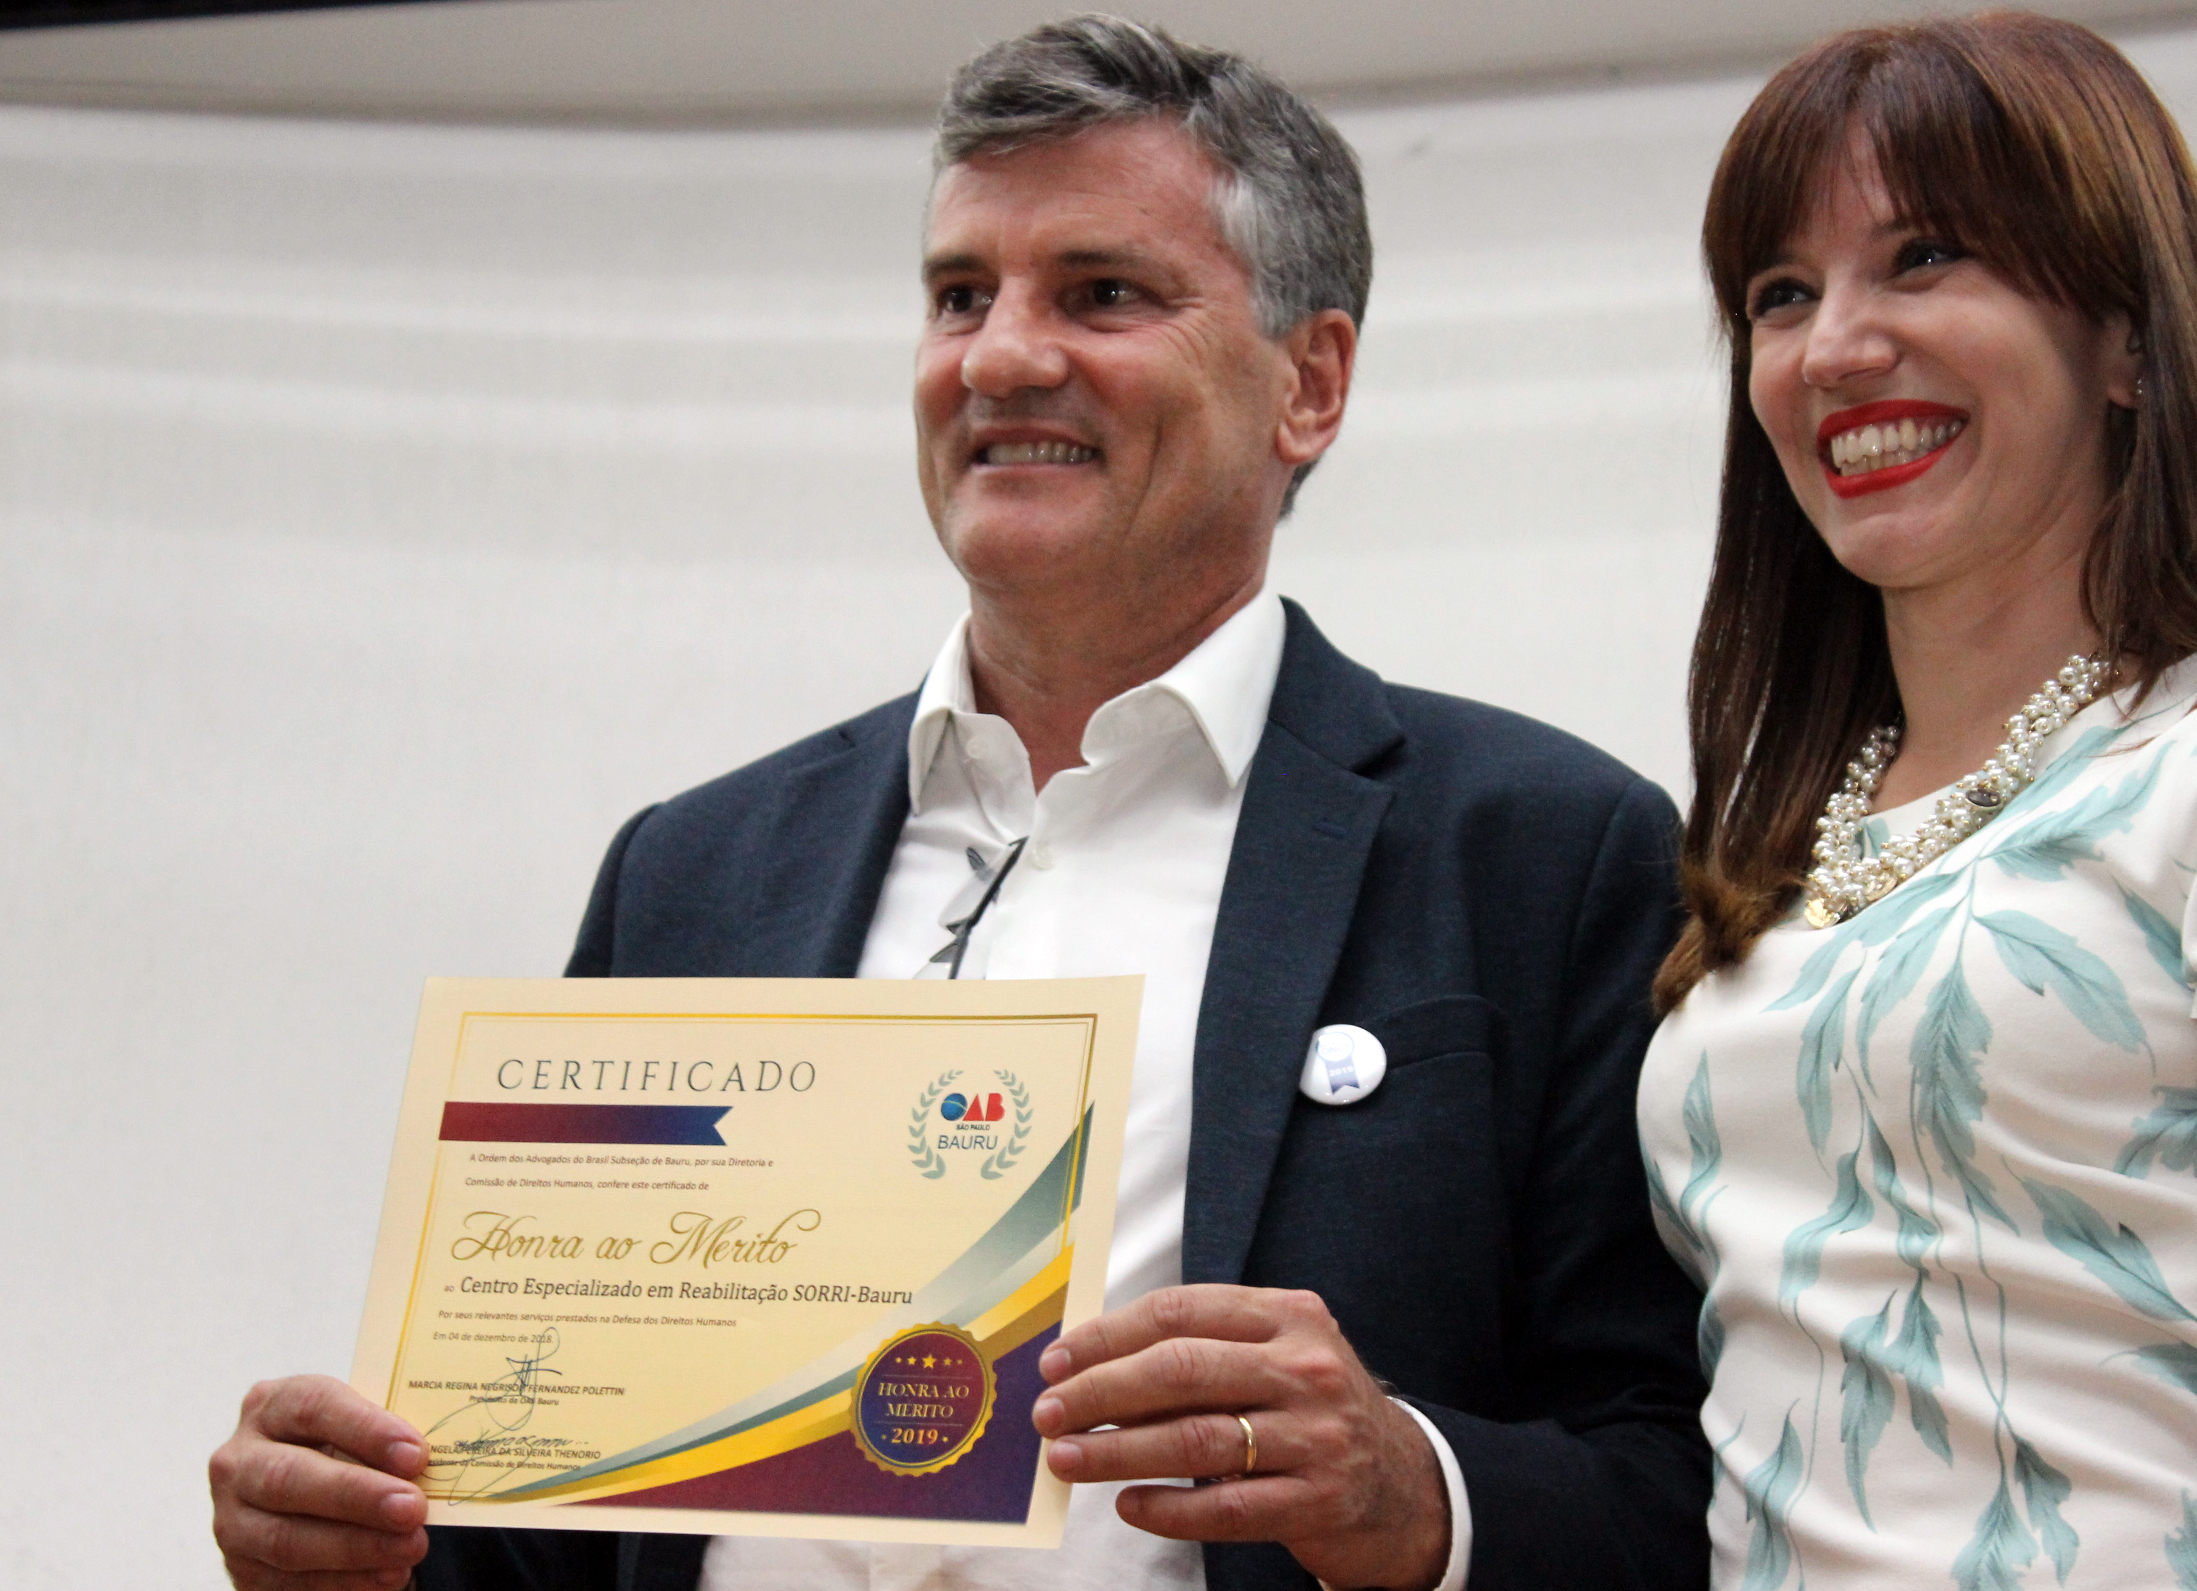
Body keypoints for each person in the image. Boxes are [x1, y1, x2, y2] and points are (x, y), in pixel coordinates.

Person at [209, 16, 1710, 1591]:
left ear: (1310, 383)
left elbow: (1684, 1484)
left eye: (1101, 292)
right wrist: (356, 1541)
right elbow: (544, 1534)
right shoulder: (696, 871)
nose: (997, 358)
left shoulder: (1543, 852)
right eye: (957, 295)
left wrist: (1418, 1490)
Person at [1638, 12, 2197, 1590]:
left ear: (2130, 340)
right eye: (1782, 293)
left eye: (1924, 260)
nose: (1836, 346)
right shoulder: (1777, 858)